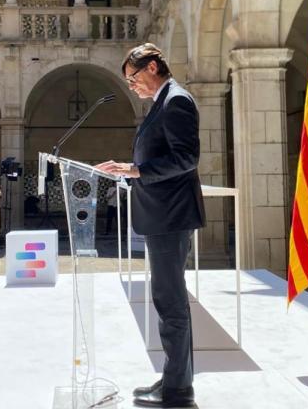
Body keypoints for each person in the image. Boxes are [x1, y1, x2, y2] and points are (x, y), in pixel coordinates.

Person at [97, 43, 205, 408]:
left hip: (171, 217)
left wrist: (137, 169)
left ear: (154, 66)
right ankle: (175, 380)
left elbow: (187, 158)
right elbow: (161, 156)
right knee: (167, 301)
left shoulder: (176, 100)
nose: (132, 86)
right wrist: (126, 168)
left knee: (170, 302)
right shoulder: (163, 102)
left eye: (134, 77)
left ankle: (177, 390)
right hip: (163, 214)